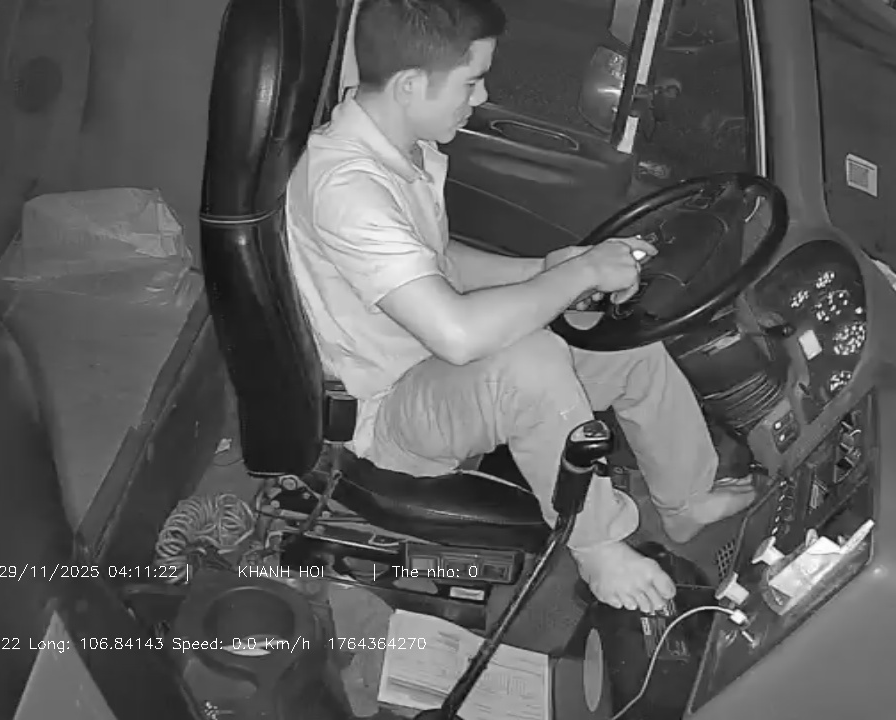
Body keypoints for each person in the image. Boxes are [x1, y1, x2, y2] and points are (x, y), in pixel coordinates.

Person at [285, 0, 755, 614]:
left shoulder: (400, 147)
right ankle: (598, 546)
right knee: (532, 362)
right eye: (471, 81)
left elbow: (435, 261)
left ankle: (685, 501)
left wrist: (545, 270)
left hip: (430, 365)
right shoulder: (349, 189)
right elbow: (456, 336)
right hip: (389, 409)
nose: (481, 97)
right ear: (410, 85)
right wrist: (582, 272)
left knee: (625, 341)